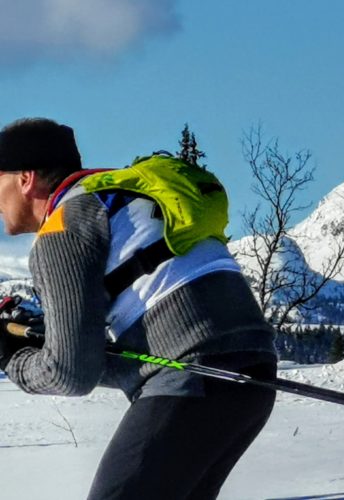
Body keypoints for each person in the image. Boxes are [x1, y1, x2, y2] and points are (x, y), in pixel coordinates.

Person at [0, 118, 278, 499]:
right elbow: (134, 353)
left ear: (25, 178)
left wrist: (11, 357)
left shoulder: (63, 227)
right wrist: (47, 339)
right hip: (252, 376)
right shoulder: (122, 200)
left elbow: (71, 373)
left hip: (192, 386)